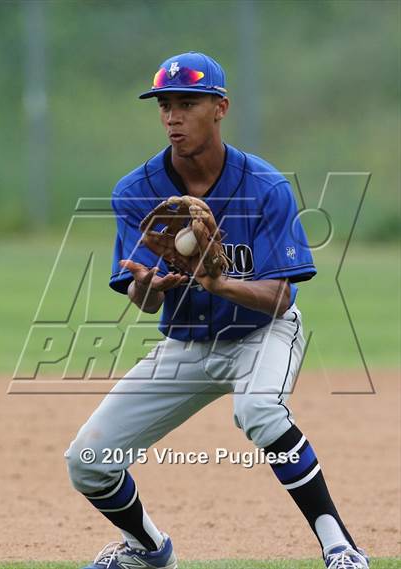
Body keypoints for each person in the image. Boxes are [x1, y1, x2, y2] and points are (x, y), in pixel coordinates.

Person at [65, 52, 369, 569]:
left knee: (259, 410)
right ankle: (147, 550)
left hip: (262, 334)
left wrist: (215, 281)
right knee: (87, 461)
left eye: (188, 103)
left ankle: (340, 546)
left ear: (220, 108)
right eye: (165, 105)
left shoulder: (265, 186)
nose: (173, 117)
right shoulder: (137, 193)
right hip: (186, 343)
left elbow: (281, 297)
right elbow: (143, 299)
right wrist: (149, 288)